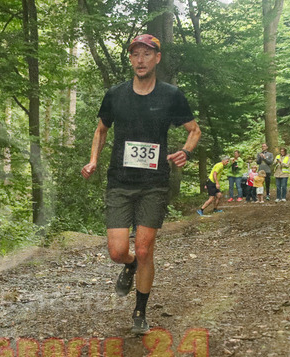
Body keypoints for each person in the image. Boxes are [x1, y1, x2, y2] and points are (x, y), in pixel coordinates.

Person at [80, 34, 201, 335]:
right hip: (120, 182)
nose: (140, 60)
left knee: (145, 249)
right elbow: (101, 130)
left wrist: (186, 152)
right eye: (135, 54)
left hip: (154, 182)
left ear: (157, 58)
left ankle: (140, 311)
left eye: (147, 54)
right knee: (117, 251)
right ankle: (129, 264)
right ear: (131, 59)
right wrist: (93, 160)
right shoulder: (116, 94)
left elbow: (194, 130)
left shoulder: (171, 95)